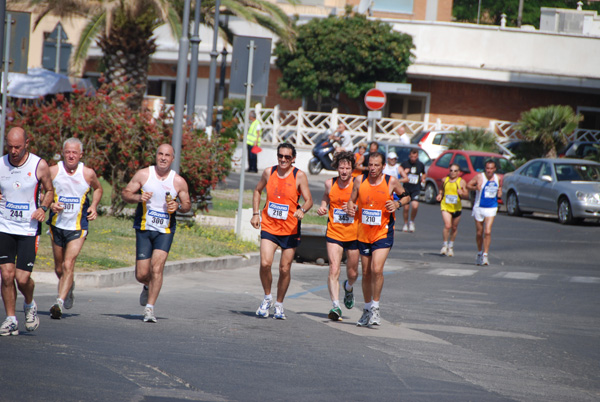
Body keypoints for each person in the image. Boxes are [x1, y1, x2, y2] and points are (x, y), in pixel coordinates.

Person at [121, 144, 191, 323]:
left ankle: (149, 309)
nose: (163, 158)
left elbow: (187, 204)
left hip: (165, 231)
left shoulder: (178, 181)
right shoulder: (144, 175)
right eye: (160, 154)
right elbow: (126, 193)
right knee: (141, 274)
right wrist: (138, 197)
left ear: (172, 159)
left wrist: (178, 207)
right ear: (156, 156)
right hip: (144, 228)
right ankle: (147, 286)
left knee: (157, 268)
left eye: (167, 155)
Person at [346, 152, 410, 327]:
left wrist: (397, 204)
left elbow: (407, 196)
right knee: (366, 273)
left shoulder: (391, 181)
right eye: (371, 165)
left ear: (383, 166)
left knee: (376, 269)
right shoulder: (359, 181)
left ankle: (375, 307)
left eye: (376, 165)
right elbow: (351, 201)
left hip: (383, 232)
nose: (373, 168)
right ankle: (366, 310)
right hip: (363, 233)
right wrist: (351, 208)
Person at [0, 127, 54, 336]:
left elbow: (49, 190)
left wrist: (43, 209)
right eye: (10, 146)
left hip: (28, 228)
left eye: (18, 147)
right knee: (6, 275)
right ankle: (11, 319)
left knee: (22, 279)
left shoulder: (39, 165)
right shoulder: (1, 164)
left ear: (27, 143)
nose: (13, 151)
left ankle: (29, 304)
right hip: (4, 225)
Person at [251, 143, 313, 320]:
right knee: (265, 263)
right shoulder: (268, 172)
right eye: (280, 156)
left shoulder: (299, 176)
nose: (283, 159)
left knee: (284, 268)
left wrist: (303, 209)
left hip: (290, 228)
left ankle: (279, 304)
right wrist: (256, 213)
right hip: (270, 226)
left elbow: (309, 200)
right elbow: (257, 190)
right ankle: (267, 298)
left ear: (293, 158)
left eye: (287, 157)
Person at [47, 138, 104, 319]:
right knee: (59, 269)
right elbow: (42, 190)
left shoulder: (87, 173)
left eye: (74, 152)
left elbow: (99, 189)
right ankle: (69, 286)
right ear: (63, 153)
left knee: (68, 264)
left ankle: (59, 303)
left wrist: (93, 206)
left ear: (81, 155)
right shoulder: (53, 171)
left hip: (78, 226)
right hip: (57, 225)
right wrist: (51, 205)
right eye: (68, 152)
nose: (71, 155)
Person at [316, 151, 359, 321]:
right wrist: (323, 207)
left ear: (351, 169)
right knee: (334, 268)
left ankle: (348, 287)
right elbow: (327, 197)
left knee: (353, 273)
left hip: (354, 233)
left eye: (347, 168)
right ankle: (335, 306)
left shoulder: (358, 184)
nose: (344, 171)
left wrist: (355, 208)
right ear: (337, 168)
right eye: (341, 167)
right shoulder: (329, 183)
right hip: (334, 231)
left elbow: (365, 204)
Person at [466, 160, 503, 266]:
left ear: (495, 169)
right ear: (485, 168)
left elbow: (499, 188)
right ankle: (479, 253)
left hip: (491, 207)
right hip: (479, 207)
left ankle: (485, 255)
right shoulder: (479, 177)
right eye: (487, 168)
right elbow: (468, 185)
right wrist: (475, 188)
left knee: (487, 231)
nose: (489, 171)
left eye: (491, 168)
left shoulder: (498, 178)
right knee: (479, 232)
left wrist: (499, 192)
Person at [436, 164, 468, 257]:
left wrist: (462, 193)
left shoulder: (461, 181)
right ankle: (444, 245)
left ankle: (451, 245)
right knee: (447, 225)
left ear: (458, 172)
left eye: (455, 171)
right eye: (451, 170)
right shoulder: (444, 180)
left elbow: (466, 194)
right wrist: (440, 195)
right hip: (445, 206)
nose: (453, 172)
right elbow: (441, 189)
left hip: (456, 207)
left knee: (454, 228)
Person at [400, 149, 426, 232]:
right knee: (406, 208)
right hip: (406, 188)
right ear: (409, 156)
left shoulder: (420, 164)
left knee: (415, 206)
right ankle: (405, 223)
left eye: (415, 157)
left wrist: (423, 178)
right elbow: (400, 173)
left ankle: (411, 221)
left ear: (417, 156)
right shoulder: (405, 164)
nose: (413, 158)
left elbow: (424, 173)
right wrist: (405, 172)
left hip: (416, 188)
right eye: (412, 157)